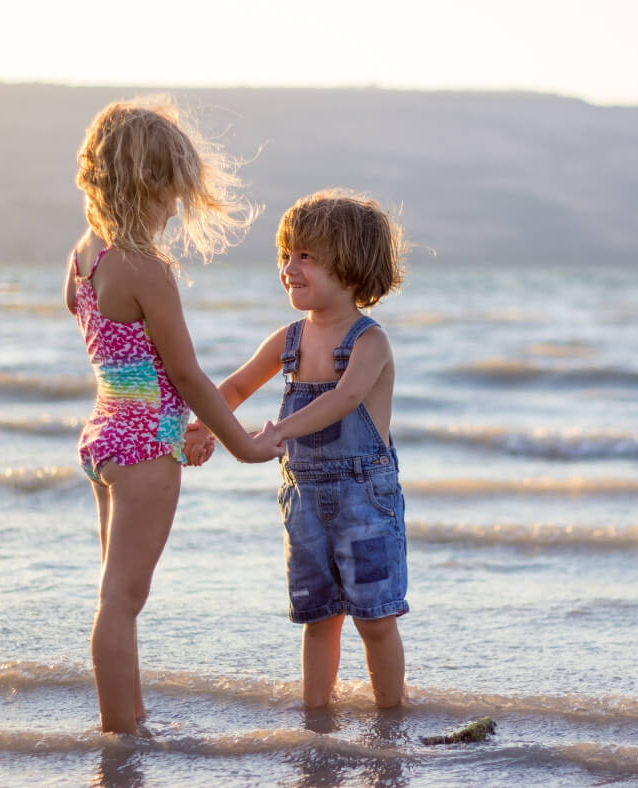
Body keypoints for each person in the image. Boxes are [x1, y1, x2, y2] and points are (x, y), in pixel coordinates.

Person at [64, 98, 283, 734]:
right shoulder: (146, 270)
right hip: (142, 455)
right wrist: (242, 443)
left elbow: (107, 345)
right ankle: (121, 736)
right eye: (171, 195)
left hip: (104, 438)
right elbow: (185, 374)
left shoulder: (86, 256)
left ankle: (129, 721)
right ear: (150, 187)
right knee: (122, 602)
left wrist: (159, 418)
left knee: (117, 598)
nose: (174, 211)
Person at [196, 189, 409, 708]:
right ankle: (317, 717)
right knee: (317, 618)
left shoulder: (368, 342)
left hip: (365, 503)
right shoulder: (288, 339)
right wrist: (203, 425)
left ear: (352, 265)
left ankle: (391, 715)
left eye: (306, 256)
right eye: (285, 255)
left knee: (374, 619)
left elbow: (344, 399)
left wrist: (278, 433)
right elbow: (234, 388)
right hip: (305, 504)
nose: (290, 267)